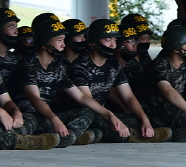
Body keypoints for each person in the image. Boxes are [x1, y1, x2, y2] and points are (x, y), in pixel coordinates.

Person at [17, 17, 118, 147]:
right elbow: (34, 98)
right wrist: (54, 119)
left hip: (46, 118)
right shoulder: (28, 65)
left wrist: (109, 115)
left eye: (63, 40)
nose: (63, 45)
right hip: (29, 117)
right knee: (20, 127)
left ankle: (62, 137)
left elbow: (81, 96)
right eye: (59, 41)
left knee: (87, 111)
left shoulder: (58, 67)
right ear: (44, 44)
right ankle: (47, 138)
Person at [69, 18, 171, 144]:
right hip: (85, 112)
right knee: (109, 125)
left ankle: (96, 135)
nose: (113, 44)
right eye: (107, 40)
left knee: (140, 119)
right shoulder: (80, 65)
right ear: (94, 42)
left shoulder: (113, 65)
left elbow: (128, 97)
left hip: (103, 112)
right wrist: (112, 117)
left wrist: (145, 121)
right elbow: (87, 100)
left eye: (115, 40)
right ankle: (135, 135)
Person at [138, 24, 186, 143]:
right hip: (154, 110)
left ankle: (178, 132)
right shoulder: (159, 65)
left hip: (174, 107)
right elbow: (169, 92)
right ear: (176, 49)